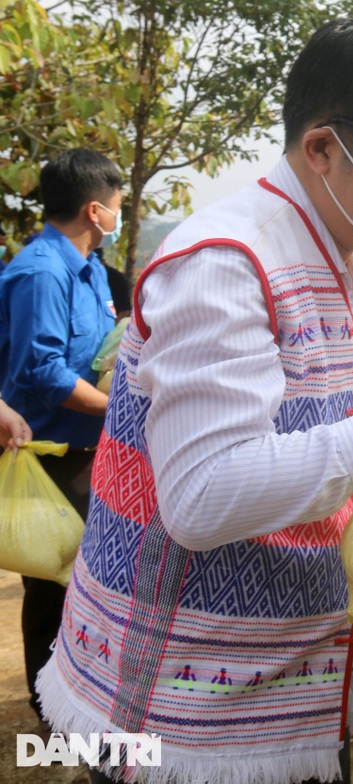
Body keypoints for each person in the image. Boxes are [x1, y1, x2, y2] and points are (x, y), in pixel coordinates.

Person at [35, 16, 353, 784]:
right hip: (184, 700)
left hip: (288, 665)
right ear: (322, 147)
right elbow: (203, 497)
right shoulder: (225, 265)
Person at [0, 149, 120, 738]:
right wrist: (126, 410)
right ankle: (51, 719)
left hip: (90, 455)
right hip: (47, 457)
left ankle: (83, 703)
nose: (119, 214)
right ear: (95, 209)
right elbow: (41, 372)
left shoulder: (91, 267)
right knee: (54, 586)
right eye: (118, 205)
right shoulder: (40, 272)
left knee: (89, 587)